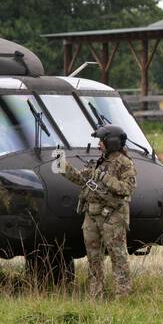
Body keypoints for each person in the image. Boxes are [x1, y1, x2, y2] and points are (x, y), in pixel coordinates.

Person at [61, 124, 137, 298]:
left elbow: (126, 189)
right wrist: (63, 166)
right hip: (92, 215)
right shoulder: (99, 162)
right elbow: (82, 178)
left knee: (118, 256)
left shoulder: (125, 164)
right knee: (94, 258)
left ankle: (122, 295)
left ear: (111, 142)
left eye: (101, 141)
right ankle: (96, 295)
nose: (98, 145)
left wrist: (106, 178)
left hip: (112, 216)